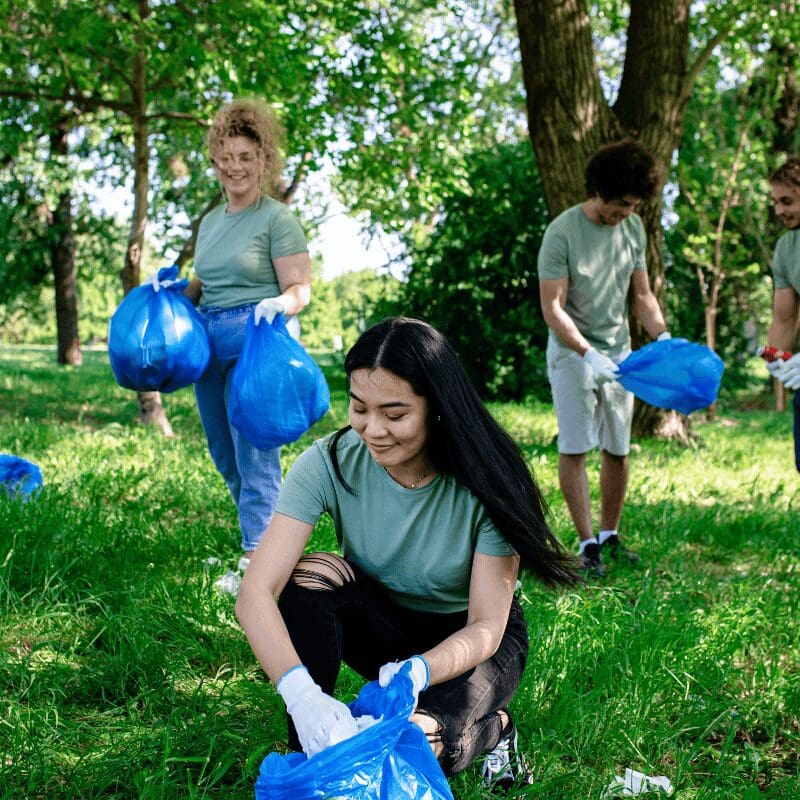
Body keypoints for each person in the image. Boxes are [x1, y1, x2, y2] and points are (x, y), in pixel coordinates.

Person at [235, 317, 580, 790]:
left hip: (473, 641)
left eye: (395, 415)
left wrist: (421, 670)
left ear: (436, 408)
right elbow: (255, 592)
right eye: (359, 408)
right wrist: (300, 694)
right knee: (312, 574)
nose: (372, 429)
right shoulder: (328, 462)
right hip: (386, 626)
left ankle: (496, 730)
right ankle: (314, 755)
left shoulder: (488, 480)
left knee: (416, 743)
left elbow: (485, 626)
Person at [177, 98, 311, 585]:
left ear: (265, 161)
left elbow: (300, 288)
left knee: (256, 455)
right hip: (208, 346)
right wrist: (172, 292)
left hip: (256, 342)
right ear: (214, 160)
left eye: (246, 157)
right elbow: (202, 284)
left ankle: (260, 568)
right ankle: (257, 543)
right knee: (225, 454)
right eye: (225, 157)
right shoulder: (211, 222)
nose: (235, 167)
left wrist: (280, 305)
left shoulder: (278, 219)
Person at [538, 140, 670, 576]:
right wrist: (587, 353)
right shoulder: (562, 232)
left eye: (631, 206)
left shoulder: (632, 230)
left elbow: (643, 296)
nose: (623, 214)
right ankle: (587, 543)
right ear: (597, 191)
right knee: (575, 445)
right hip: (573, 351)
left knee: (618, 446)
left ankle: (611, 535)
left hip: (620, 353)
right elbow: (553, 308)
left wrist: (663, 337)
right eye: (617, 205)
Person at [760, 157, 800, 472]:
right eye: (775, 202)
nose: (778, 211)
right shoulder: (786, 248)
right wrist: (775, 357)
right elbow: (784, 318)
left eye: (786, 201)